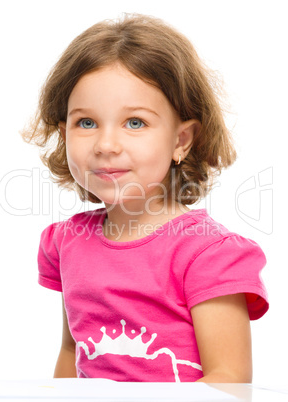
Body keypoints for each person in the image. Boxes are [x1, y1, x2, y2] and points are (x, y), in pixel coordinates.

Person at [22, 13, 268, 383]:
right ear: (64, 132)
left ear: (180, 141)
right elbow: (73, 352)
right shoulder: (66, 243)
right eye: (86, 123)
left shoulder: (208, 254)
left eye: (135, 122)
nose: (106, 145)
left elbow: (229, 381)